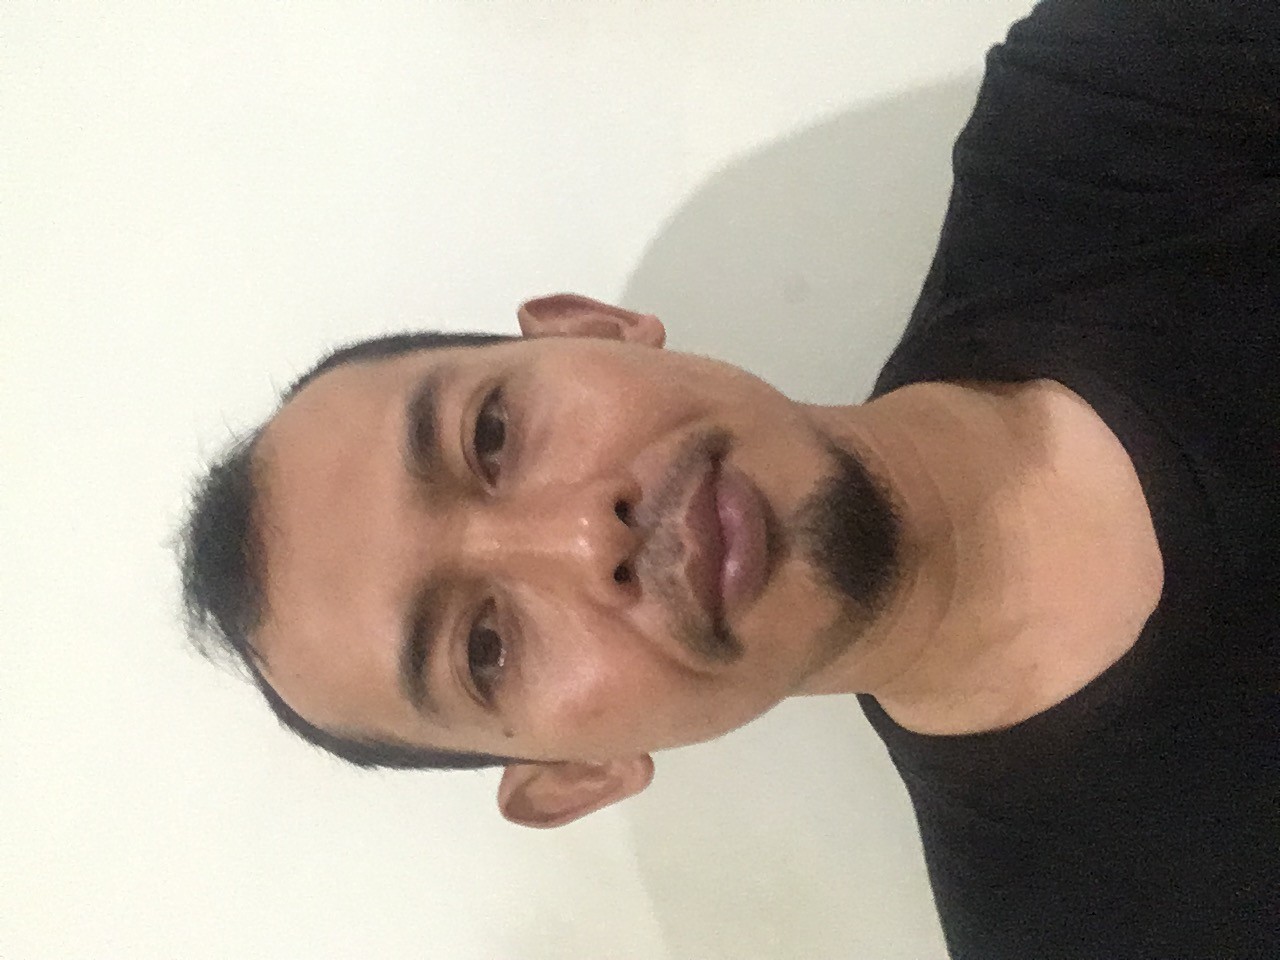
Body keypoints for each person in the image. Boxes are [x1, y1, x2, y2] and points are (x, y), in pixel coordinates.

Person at [179, 1, 1278, 957]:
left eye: (494, 436)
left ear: (591, 330)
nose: (584, 540)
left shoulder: (1113, 113)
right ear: (579, 772)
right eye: (484, 648)